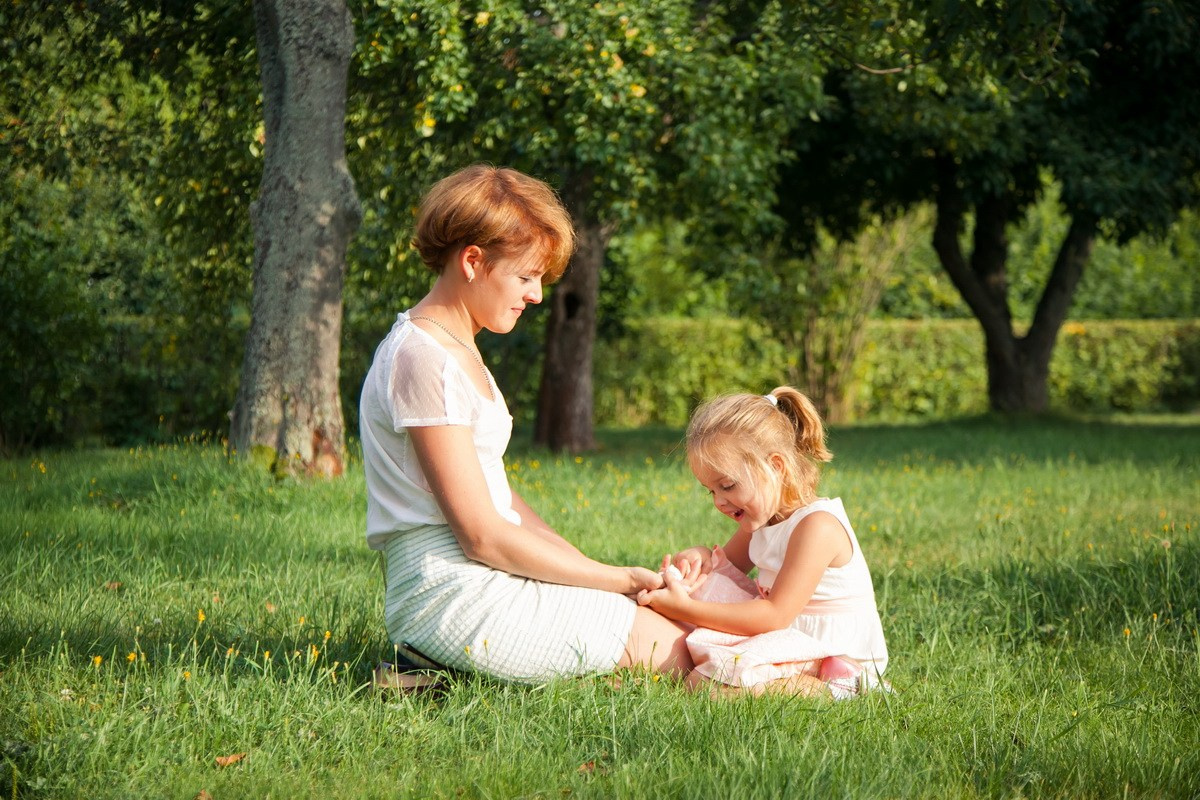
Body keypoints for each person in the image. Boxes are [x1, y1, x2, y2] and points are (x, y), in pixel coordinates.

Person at [359, 164, 692, 685]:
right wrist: (616, 578)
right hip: (452, 594)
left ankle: (433, 677)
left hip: (479, 577)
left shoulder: (452, 349)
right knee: (684, 655)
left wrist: (596, 575)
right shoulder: (423, 359)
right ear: (472, 260)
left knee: (674, 631)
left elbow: (502, 502)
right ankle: (841, 690)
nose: (536, 295)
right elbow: (481, 536)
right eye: (525, 276)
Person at [638, 386, 889, 697]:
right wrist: (699, 558)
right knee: (705, 592)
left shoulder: (816, 527)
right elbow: (722, 572)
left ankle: (843, 690)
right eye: (711, 491)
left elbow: (773, 615)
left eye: (727, 485)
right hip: (789, 640)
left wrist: (687, 609)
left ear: (775, 466)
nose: (719, 501)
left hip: (834, 656)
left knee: (704, 686)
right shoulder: (763, 520)